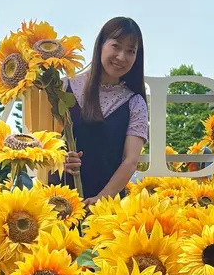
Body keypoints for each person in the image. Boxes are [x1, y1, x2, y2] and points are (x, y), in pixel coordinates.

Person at [58, 16, 149, 204]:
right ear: (101, 45)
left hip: (106, 209)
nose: (121, 57)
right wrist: (59, 160)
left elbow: (130, 161)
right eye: (116, 46)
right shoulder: (64, 88)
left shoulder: (134, 102)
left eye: (130, 51)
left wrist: (101, 199)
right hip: (58, 203)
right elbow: (42, 143)